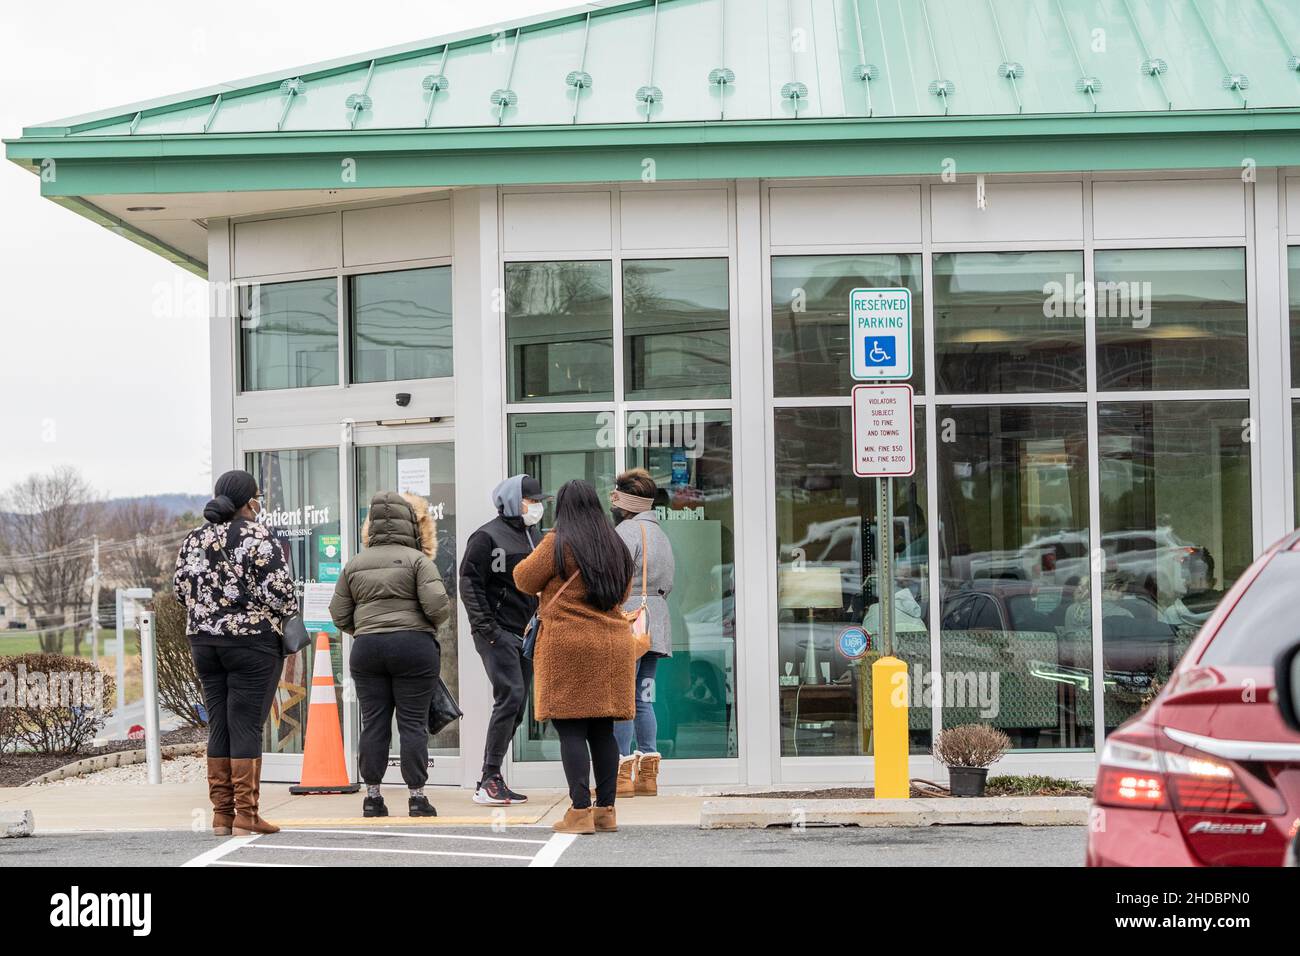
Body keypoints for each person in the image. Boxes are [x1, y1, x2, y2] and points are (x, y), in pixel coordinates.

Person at [174, 469, 297, 836]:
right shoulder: (259, 536)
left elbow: (181, 591)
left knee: (220, 723)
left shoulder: (193, 540)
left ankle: (221, 814)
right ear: (249, 500)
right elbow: (282, 595)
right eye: (258, 496)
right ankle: (247, 814)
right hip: (252, 643)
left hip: (204, 643)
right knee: (244, 723)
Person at [514, 479, 636, 834]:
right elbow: (624, 590)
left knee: (570, 728)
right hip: (613, 644)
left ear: (562, 508)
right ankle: (607, 811)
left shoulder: (557, 541)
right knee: (603, 729)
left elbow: (524, 578)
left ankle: (580, 811)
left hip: (568, 643)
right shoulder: (615, 543)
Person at [330, 492, 451, 818]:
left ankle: (372, 797)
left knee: (374, 723)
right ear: (411, 523)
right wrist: (420, 625)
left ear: (370, 526)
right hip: (413, 648)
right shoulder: (417, 561)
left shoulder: (354, 563)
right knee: (412, 723)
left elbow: (338, 613)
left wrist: (366, 629)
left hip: (368, 650)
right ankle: (417, 798)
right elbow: (439, 607)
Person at [459, 474, 549, 805]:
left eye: (539, 501)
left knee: (518, 704)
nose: (537, 507)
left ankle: (491, 776)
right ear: (512, 501)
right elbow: (469, 583)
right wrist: (488, 629)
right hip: (498, 632)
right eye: (531, 501)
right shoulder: (486, 537)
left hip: (525, 633)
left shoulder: (533, 535)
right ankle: (488, 778)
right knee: (510, 695)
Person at [609, 468, 675, 797]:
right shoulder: (661, 534)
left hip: (628, 619)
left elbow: (614, 578)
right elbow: (670, 584)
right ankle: (648, 777)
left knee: (622, 699)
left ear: (626, 502)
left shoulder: (626, 531)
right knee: (644, 698)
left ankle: (620, 775)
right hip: (657, 622)